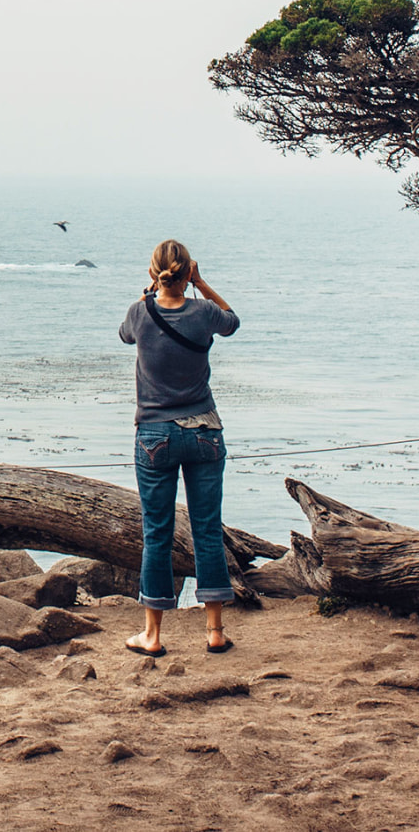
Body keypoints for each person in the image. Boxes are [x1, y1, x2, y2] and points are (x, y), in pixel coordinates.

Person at [118, 238, 240, 656]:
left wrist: (149, 292)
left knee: (158, 534)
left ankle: (152, 635)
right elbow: (233, 320)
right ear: (188, 272)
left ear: (154, 275)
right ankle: (215, 631)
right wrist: (202, 285)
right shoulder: (204, 312)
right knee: (207, 530)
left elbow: (124, 335)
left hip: (155, 435)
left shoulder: (140, 313)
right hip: (204, 430)